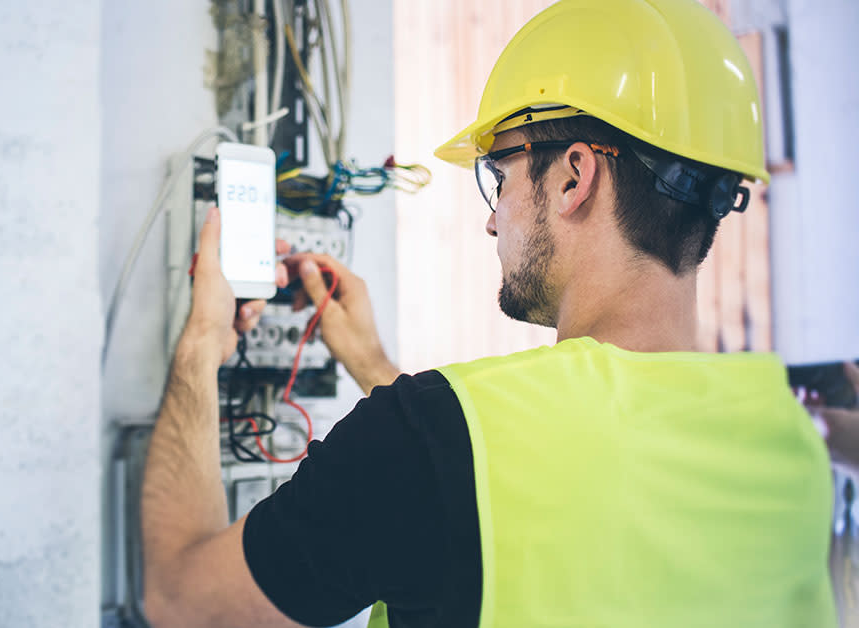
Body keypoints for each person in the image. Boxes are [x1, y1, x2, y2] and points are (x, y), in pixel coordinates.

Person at [140, 0, 837, 626]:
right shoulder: (793, 441)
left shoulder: (425, 439)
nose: (490, 221)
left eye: (497, 175)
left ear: (572, 177)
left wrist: (203, 339)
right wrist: (374, 366)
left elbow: (183, 601)